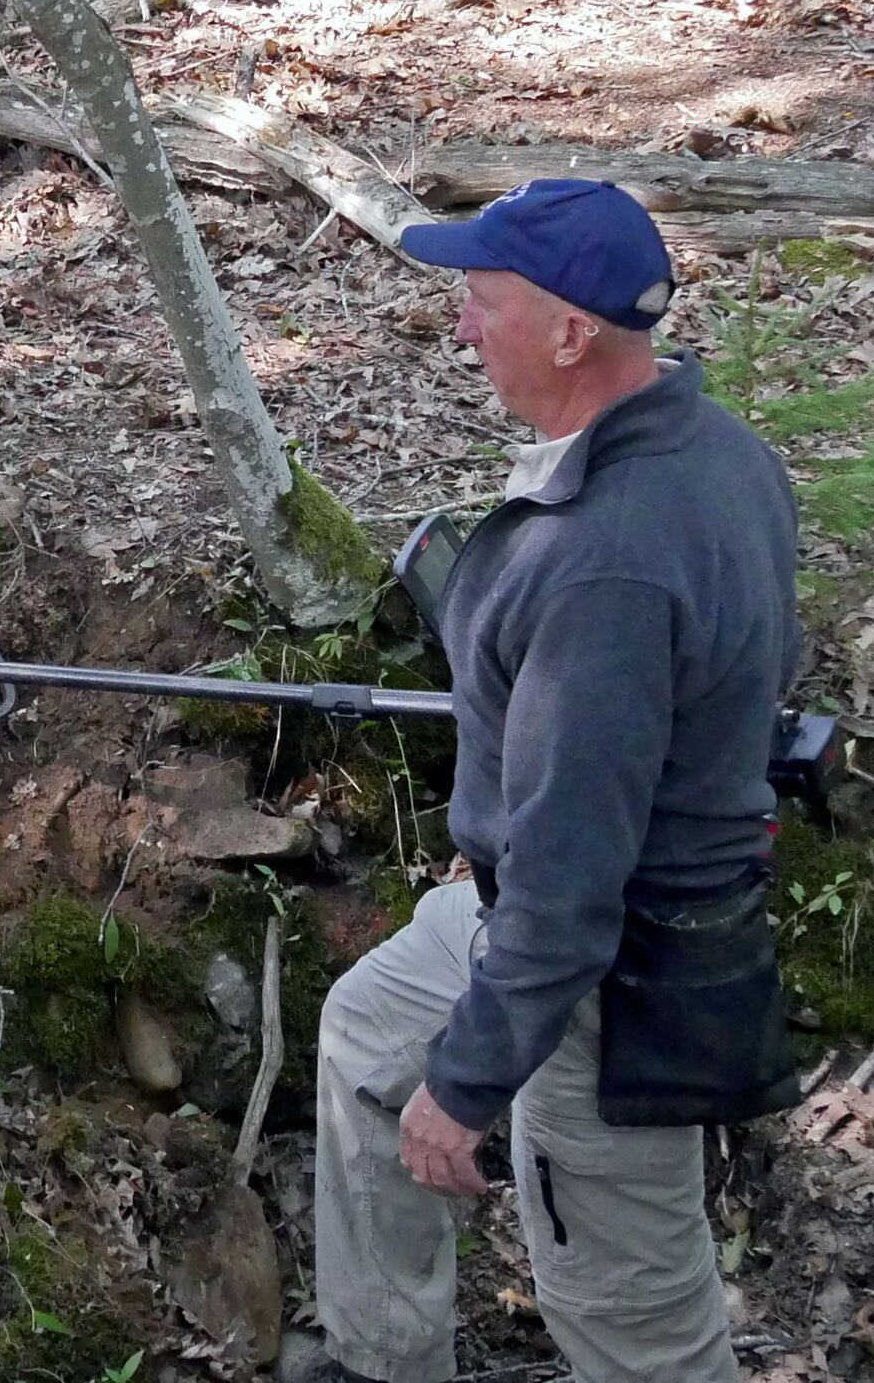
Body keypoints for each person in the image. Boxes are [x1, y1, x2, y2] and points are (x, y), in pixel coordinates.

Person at [292, 179, 804, 1383]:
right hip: (529, 910)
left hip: (605, 974)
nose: (459, 326)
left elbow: (575, 881)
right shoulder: (711, 448)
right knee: (370, 1039)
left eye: (480, 299)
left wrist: (463, 1087)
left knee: (628, 1311)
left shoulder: (607, 570)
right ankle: (381, 1360)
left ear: (572, 332)